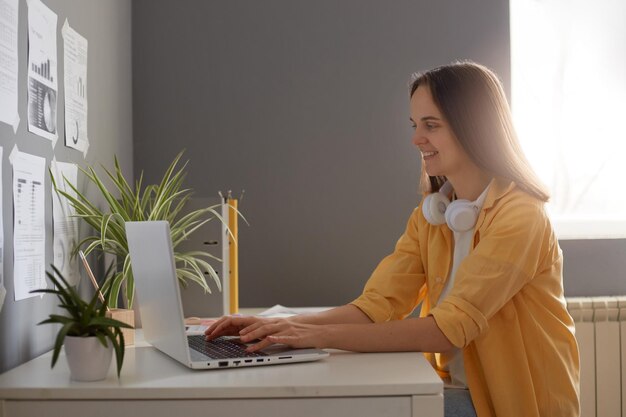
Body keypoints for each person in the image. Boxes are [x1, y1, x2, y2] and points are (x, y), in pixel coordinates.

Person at [205, 61, 580, 417]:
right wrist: (281, 328)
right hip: (455, 389)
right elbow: (377, 306)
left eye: (431, 125)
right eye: (414, 124)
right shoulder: (433, 214)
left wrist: (309, 335)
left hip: (506, 406)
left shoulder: (522, 217)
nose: (417, 138)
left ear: (474, 127)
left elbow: (446, 331)